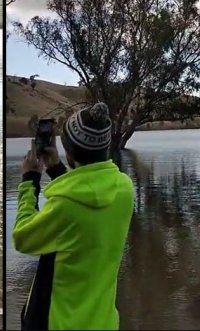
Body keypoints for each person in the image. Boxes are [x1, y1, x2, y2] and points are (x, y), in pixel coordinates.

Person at [13, 102, 134, 330]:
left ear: (69, 152)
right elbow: (86, 198)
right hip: (102, 321)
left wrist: (29, 181)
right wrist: (56, 170)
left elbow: (23, 237)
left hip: (58, 322)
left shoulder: (65, 206)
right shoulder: (125, 189)